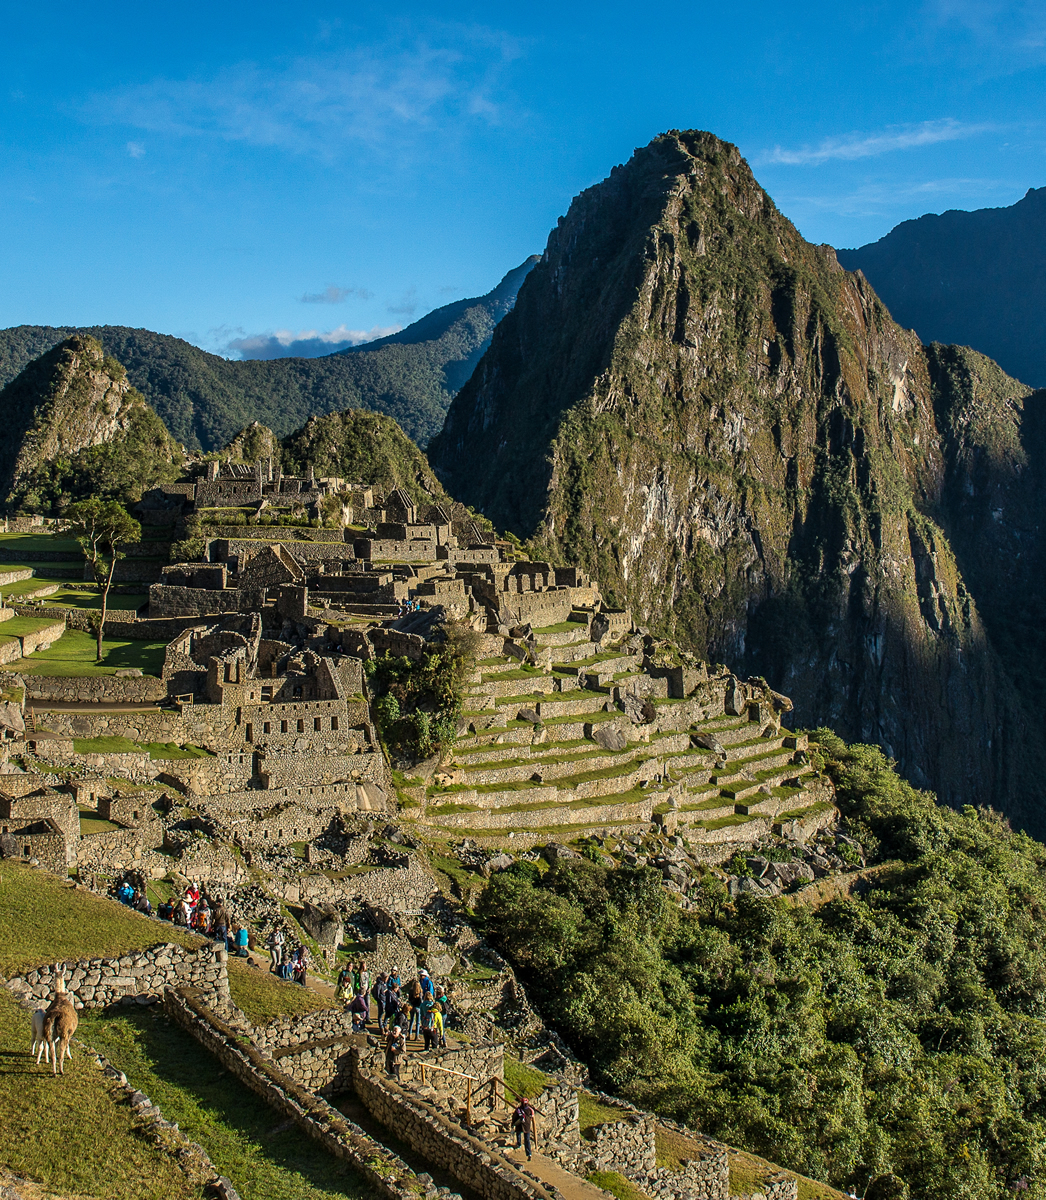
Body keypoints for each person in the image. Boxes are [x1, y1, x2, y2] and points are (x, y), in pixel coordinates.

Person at [511, 1096, 535, 1160]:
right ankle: (529, 1153)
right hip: (527, 1126)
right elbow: (531, 1117)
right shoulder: (530, 1110)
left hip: (520, 1125)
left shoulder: (518, 1110)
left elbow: (514, 1117)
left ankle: (519, 1144)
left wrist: (513, 1123)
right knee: (527, 1140)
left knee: (518, 1133)